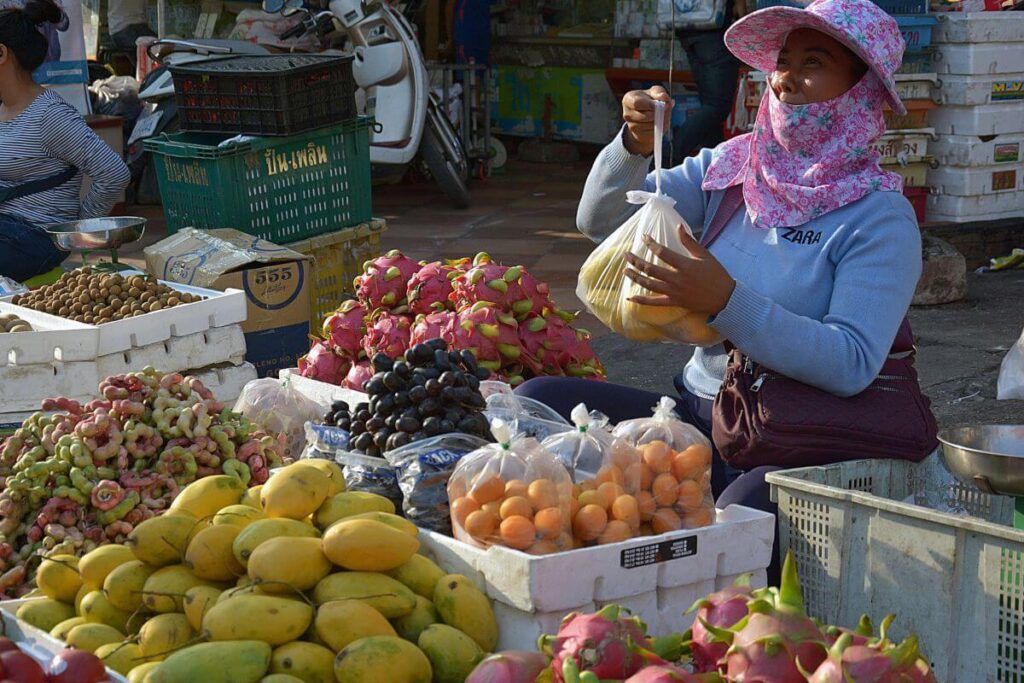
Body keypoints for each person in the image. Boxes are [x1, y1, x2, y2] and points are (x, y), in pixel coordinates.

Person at [518, 0, 927, 583]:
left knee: (732, 524)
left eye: (814, 63)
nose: (786, 78)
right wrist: (632, 147)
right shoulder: (734, 171)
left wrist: (724, 301)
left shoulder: (879, 218)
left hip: (792, 442)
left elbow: (852, 362)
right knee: (540, 402)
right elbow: (602, 220)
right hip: (697, 418)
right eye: (783, 61)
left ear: (861, 91)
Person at [0, 0, 131, 282]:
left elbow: (114, 173)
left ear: (2, 53)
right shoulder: (3, 109)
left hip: (36, 236)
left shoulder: (49, 115)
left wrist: (77, 230)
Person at [672, 0, 745, 163]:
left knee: (709, 105)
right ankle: (672, 153)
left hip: (688, 27)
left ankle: (716, 163)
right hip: (713, 28)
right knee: (717, 106)